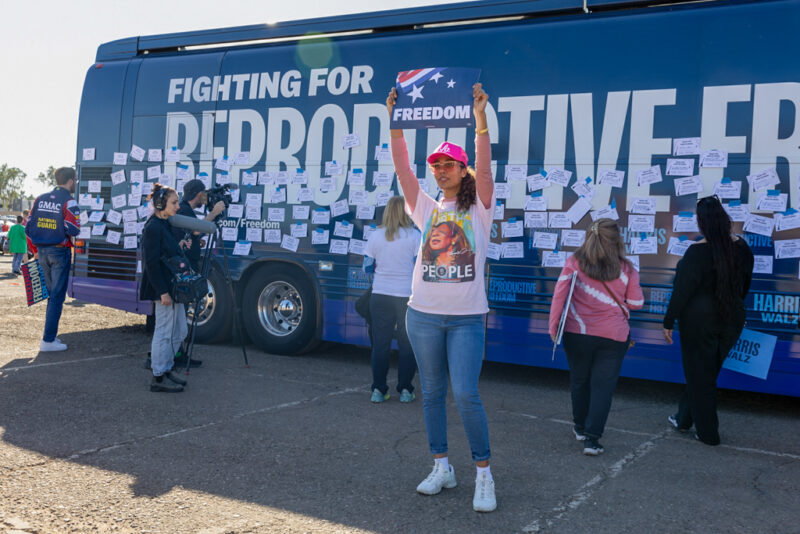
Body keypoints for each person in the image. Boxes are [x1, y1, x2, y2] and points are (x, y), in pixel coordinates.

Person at [387, 82, 497, 512]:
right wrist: (395, 123)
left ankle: (484, 474)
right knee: (432, 393)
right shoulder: (426, 209)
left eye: (449, 165)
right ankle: (441, 467)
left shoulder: (479, 208)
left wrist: (480, 119)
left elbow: (485, 169)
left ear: (463, 170)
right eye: (436, 165)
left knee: (466, 394)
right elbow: (403, 170)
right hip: (423, 317)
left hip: (467, 318)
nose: (440, 170)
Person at [663, 195, 754, 445]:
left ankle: (708, 433)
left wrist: (668, 321)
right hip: (732, 318)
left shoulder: (696, 252)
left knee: (700, 374)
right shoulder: (743, 248)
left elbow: (682, 291)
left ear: (702, 223)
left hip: (699, 321)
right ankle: (683, 419)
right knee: (705, 373)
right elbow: (745, 285)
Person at [548, 219, 644, 456]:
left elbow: (559, 295)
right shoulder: (627, 268)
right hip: (613, 336)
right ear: (617, 239)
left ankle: (580, 427)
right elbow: (636, 303)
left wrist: (553, 326)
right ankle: (592, 440)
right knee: (603, 387)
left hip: (577, 333)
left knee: (579, 381)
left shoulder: (574, 262)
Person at [363, 195, 421, 403]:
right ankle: (405, 390)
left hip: (380, 295)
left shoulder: (376, 236)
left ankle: (378, 391)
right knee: (407, 345)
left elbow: (367, 267)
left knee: (381, 345)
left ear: (387, 212)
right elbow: (420, 268)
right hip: (406, 297)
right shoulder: (415, 236)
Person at [140, 183, 191, 393]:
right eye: (174, 203)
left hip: (172, 287)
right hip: (162, 288)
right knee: (164, 332)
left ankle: (166, 368)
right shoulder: (153, 227)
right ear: (161, 204)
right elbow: (151, 263)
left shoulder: (165, 224)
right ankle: (158, 376)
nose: (178, 206)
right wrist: (162, 292)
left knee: (180, 330)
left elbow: (165, 253)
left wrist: (179, 247)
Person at [25, 167, 80, 352]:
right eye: (76, 180)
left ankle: (49, 337)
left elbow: (28, 228)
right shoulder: (69, 201)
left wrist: (35, 250)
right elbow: (73, 229)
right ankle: (48, 340)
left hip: (42, 252)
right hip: (59, 252)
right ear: (70, 181)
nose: (76, 183)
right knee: (56, 297)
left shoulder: (39, 199)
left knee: (52, 296)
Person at [173, 179, 226, 272]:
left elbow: (189, 232)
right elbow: (197, 228)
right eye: (204, 193)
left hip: (186, 260)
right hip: (185, 263)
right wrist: (214, 213)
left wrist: (196, 241)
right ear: (199, 194)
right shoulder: (184, 210)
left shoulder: (185, 209)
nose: (206, 197)